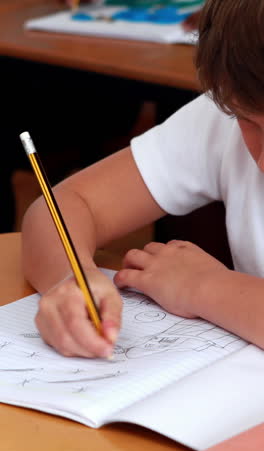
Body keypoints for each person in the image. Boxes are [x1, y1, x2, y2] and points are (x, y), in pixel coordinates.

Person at [22, 0, 264, 359]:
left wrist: (207, 287)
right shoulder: (226, 114)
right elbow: (66, 207)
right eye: (249, 122)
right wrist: (71, 280)